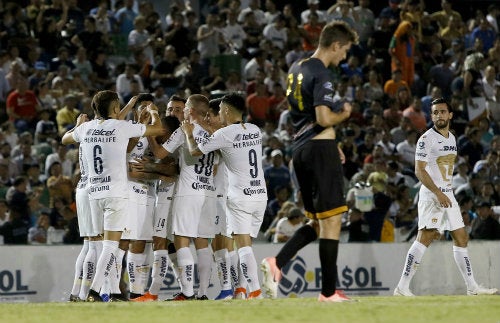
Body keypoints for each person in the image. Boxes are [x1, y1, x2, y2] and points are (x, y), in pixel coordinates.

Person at [260, 21, 358, 302]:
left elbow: (304, 117)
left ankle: (276, 263)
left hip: (302, 150)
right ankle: (329, 292)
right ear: (335, 45)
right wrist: (345, 113)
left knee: (317, 223)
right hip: (318, 151)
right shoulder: (323, 74)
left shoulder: (296, 68)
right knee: (334, 220)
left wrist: (333, 142)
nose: (345, 57)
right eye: (345, 50)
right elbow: (323, 118)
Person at [61, 91, 165, 302]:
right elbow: (158, 129)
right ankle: (96, 291)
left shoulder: (86, 128)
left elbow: (64, 139)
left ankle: (91, 292)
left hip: (93, 193)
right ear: (116, 109)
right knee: (110, 246)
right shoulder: (122, 126)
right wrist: (153, 112)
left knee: (94, 245)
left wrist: (78, 125)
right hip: (116, 193)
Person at [394, 98, 498, 296]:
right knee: (425, 237)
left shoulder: (451, 138)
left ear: (450, 115)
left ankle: (472, 287)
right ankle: (402, 287)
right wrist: (438, 192)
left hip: (447, 193)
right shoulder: (426, 138)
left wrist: (445, 192)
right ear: (431, 116)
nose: (439, 115)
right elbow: (419, 170)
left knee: (461, 236)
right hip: (432, 194)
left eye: (442, 112)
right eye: (435, 112)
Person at [182, 93, 268, 300]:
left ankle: (255, 292)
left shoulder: (224, 135)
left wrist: (188, 132)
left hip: (240, 197)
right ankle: (243, 289)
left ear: (227, 111)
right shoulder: (255, 130)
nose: (219, 114)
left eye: (220, 110)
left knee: (243, 247)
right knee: (245, 246)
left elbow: (194, 151)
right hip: (260, 195)